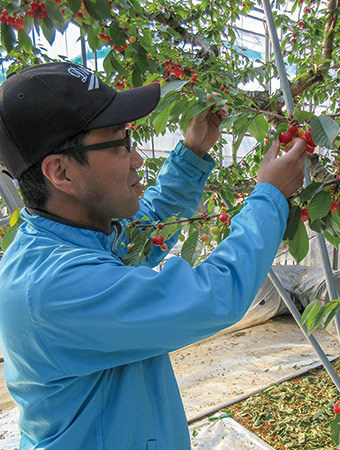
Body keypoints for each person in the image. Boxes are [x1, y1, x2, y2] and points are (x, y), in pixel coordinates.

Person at [0, 62, 306, 449]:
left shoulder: (77, 237)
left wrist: (194, 152)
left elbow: (149, 228)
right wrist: (270, 197)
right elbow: (215, 296)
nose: (137, 159)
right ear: (60, 172)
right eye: (118, 143)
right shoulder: (54, 288)